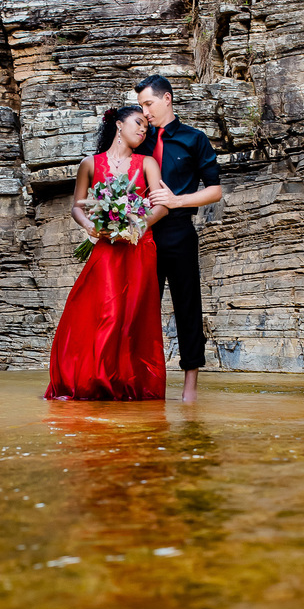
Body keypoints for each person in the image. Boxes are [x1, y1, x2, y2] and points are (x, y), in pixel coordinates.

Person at [45, 106, 170, 401]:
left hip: (140, 246)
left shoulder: (148, 163)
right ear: (118, 124)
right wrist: (90, 226)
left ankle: (128, 385)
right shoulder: (90, 163)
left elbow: (161, 205)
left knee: (134, 317)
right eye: (138, 123)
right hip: (106, 246)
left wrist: (139, 225)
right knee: (106, 312)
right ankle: (96, 381)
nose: (143, 130)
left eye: (146, 128)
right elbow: (77, 205)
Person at [134, 75, 223, 403]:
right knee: (142, 310)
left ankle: (189, 390)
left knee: (188, 307)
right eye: (141, 106)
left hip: (180, 233)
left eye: (149, 104)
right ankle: (142, 382)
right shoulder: (140, 139)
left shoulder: (194, 139)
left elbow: (215, 190)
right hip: (141, 235)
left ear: (167, 98)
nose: (145, 112)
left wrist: (177, 201)